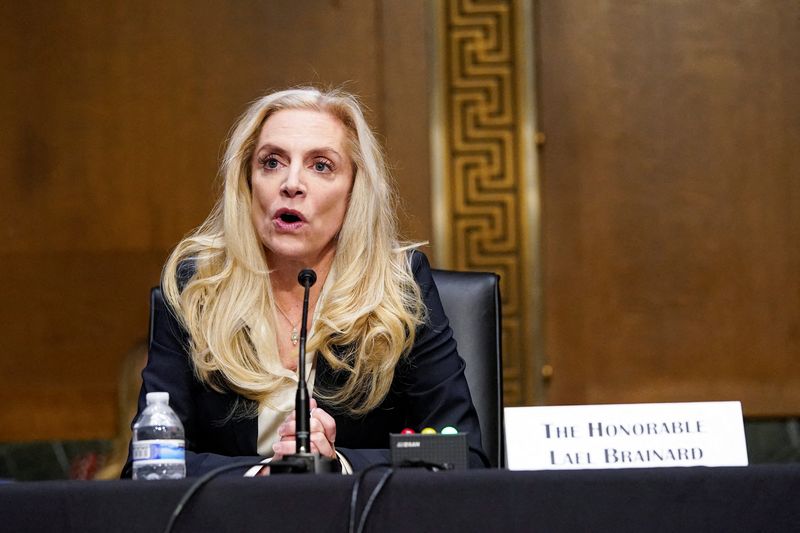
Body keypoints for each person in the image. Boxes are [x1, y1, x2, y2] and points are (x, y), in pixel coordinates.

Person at [121, 87, 488, 477]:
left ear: (353, 191)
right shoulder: (197, 290)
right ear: (247, 182)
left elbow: (464, 456)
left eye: (321, 166)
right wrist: (262, 475)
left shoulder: (398, 287)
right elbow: (148, 466)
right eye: (272, 162)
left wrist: (339, 465)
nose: (291, 183)